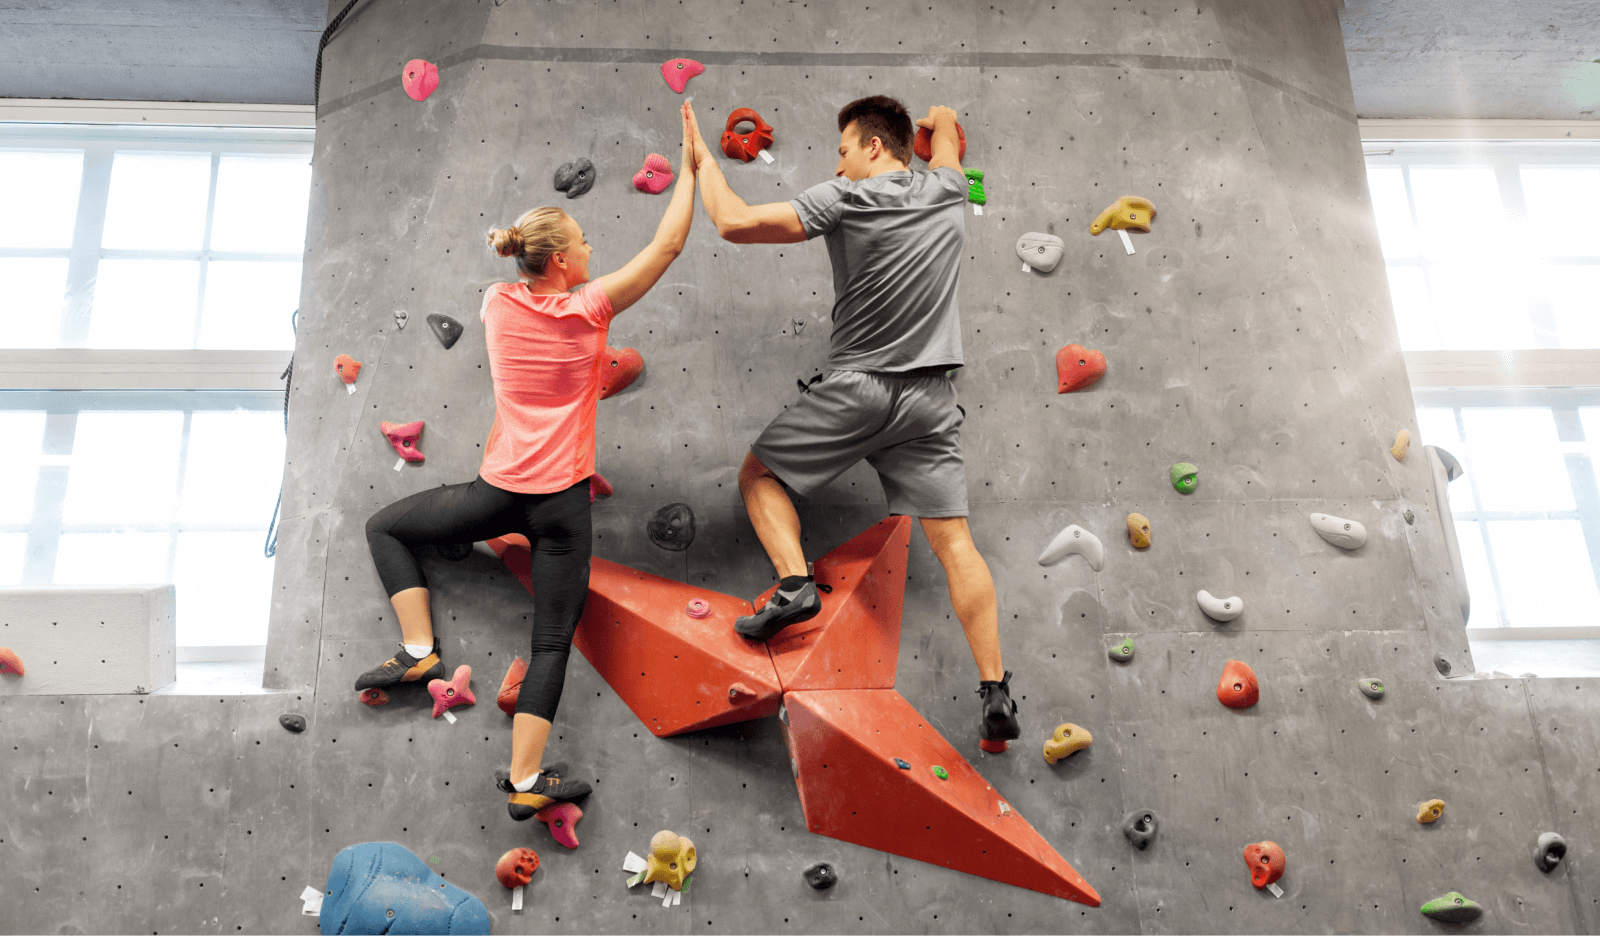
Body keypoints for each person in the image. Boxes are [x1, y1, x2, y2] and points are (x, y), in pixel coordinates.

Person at [357, 103, 699, 819]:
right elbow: (665, 250)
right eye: (582, 240)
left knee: (386, 527)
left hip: (496, 495)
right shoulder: (588, 311)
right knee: (550, 643)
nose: (590, 247)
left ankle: (418, 649)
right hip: (563, 507)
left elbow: (521, 283)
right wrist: (691, 174)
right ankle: (522, 783)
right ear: (564, 262)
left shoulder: (493, 304)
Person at [683, 96, 1021, 749]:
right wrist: (941, 118)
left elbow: (733, 222)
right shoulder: (949, 189)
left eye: (842, 151)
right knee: (956, 545)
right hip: (931, 402)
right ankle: (995, 687)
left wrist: (701, 159)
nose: (836, 166)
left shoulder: (846, 200)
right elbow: (947, 137)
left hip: (858, 389)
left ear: (871, 146)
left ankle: (792, 585)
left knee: (759, 476)